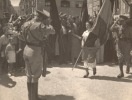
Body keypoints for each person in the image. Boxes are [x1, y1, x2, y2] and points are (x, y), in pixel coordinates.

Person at [18, 10, 55, 100]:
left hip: (26, 49)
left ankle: (30, 97)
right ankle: (34, 98)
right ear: (41, 18)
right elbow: (53, 31)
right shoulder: (40, 25)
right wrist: (48, 23)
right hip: (35, 51)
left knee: (28, 75)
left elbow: (20, 36)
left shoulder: (26, 23)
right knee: (35, 76)